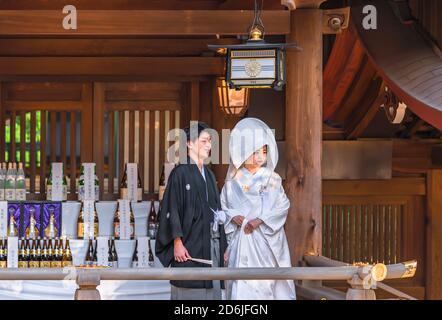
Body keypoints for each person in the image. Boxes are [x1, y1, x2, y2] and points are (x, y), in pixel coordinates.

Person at [221, 117, 296, 300]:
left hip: (263, 238)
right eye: (255, 152)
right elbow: (224, 206)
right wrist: (233, 217)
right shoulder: (232, 181)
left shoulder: (272, 178)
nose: (261, 156)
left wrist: (260, 220)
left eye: (264, 151)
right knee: (240, 284)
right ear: (243, 152)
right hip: (241, 238)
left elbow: (282, 206)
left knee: (264, 285)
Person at [155, 122, 227, 300]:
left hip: (212, 243)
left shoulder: (209, 175)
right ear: (189, 143)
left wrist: (224, 244)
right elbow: (171, 208)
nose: (209, 145)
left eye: (210, 141)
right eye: (204, 141)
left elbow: (217, 211)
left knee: (213, 288)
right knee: (190, 291)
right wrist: (177, 242)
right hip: (190, 244)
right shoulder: (180, 173)